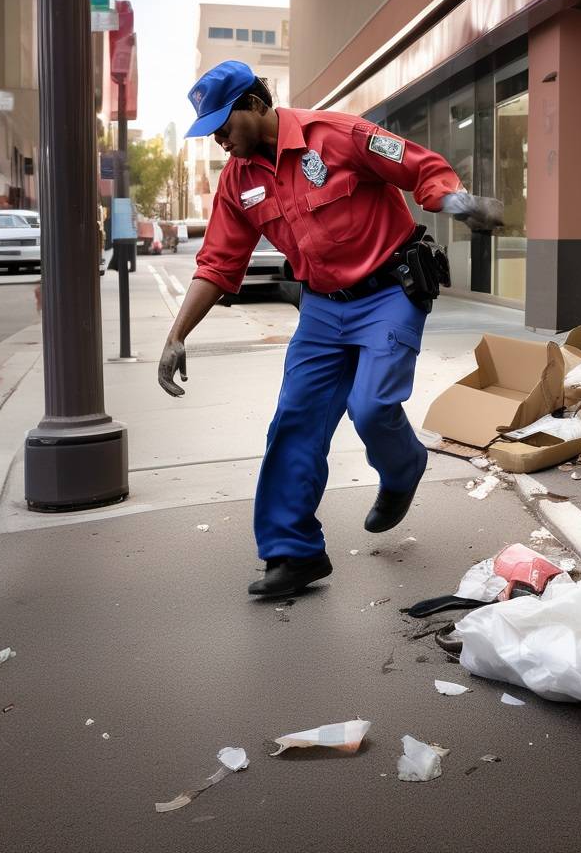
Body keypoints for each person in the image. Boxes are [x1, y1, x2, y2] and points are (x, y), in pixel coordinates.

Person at [157, 60, 502, 599]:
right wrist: (177, 335)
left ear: (254, 104)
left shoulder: (337, 135)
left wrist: (456, 201)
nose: (220, 138)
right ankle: (292, 553)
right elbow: (219, 263)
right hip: (320, 308)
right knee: (294, 422)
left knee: (371, 407)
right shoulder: (238, 180)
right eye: (212, 131)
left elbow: (417, 165)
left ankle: (402, 467)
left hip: (389, 291)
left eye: (225, 123)